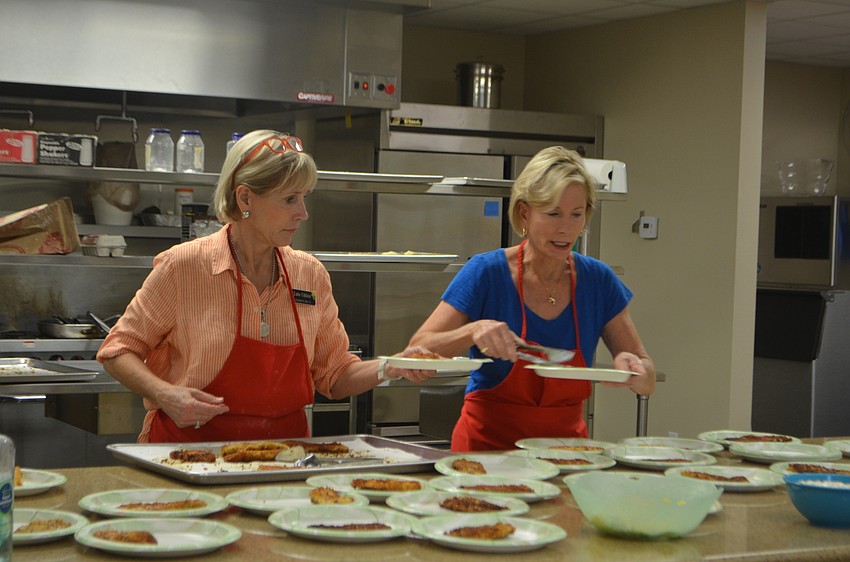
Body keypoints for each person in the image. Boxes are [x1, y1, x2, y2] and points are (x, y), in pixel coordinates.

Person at [97, 129, 436, 443]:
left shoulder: (309, 274)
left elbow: (334, 374)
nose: (303, 213)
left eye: (304, 198)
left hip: (282, 457)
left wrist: (390, 365)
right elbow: (118, 350)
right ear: (245, 198)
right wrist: (164, 394)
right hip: (189, 456)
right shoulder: (183, 267)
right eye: (289, 199)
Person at [408, 146, 655, 452]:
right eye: (553, 214)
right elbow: (417, 351)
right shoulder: (486, 272)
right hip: (487, 454)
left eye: (576, 215)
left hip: (566, 455)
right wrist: (471, 332)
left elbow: (647, 378)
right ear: (525, 212)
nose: (566, 228)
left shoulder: (598, 280)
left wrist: (635, 370)